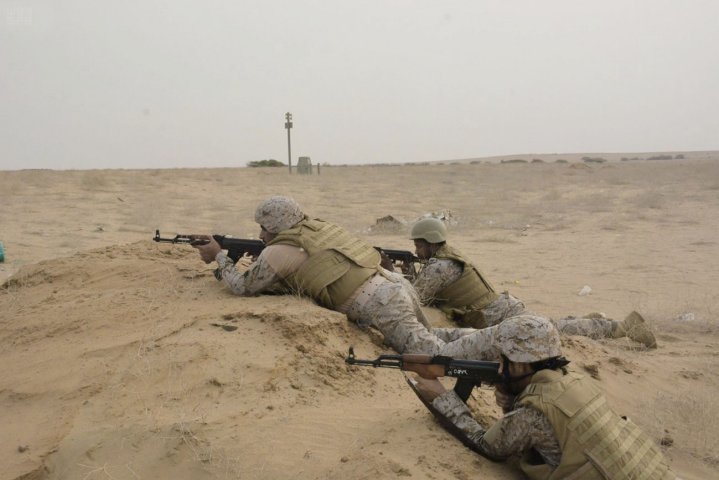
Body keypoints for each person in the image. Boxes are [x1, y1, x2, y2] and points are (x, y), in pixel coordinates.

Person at [192, 196, 499, 359]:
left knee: (428, 353)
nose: (261, 235)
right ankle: (489, 341)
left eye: (265, 228)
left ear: (279, 225)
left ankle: (499, 345)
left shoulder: (279, 251)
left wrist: (219, 255)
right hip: (394, 286)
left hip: (382, 300)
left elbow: (242, 288)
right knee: (431, 337)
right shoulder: (319, 229)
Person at [412, 315, 675, 479]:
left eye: (504, 360)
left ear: (522, 365)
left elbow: (488, 446)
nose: (500, 368)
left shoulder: (533, 414)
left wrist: (442, 398)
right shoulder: (577, 380)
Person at [383, 217, 656, 348]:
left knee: (554, 330)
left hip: (498, 316)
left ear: (430, 243)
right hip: (502, 308)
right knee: (553, 324)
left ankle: (621, 327)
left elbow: (415, 297)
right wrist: (410, 270)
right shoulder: (444, 258)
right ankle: (592, 322)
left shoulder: (440, 266)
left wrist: (391, 271)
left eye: (418, 247)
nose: (417, 252)